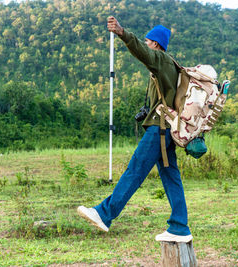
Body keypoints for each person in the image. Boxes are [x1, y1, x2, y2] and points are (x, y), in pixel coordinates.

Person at [77, 16, 192, 242]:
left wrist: (122, 32)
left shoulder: (160, 59)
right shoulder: (169, 65)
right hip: (168, 129)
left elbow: (142, 51)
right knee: (171, 177)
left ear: (156, 44)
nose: (146, 44)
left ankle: (104, 213)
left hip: (159, 129)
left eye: (148, 41)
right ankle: (180, 227)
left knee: (135, 170)